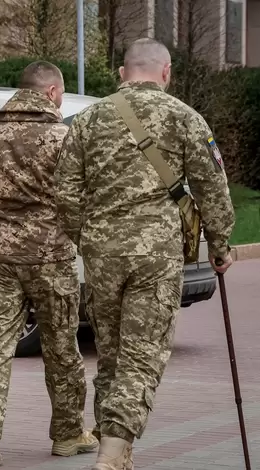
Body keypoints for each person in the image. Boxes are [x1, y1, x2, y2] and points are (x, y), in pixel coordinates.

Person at [54, 38, 236, 470]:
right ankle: (113, 450)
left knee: (113, 354)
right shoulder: (184, 118)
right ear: (167, 72)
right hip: (155, 253)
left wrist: (87, 236)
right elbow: (213, 188)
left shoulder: (87, 118)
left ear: (122, 72)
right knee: (143, 354)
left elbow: (64, 191)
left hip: (101, 252)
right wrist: (221, 245)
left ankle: (117, 449)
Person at [0, 60, 98, 466]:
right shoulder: (66, 137)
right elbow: (84, 192)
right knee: (61, 347)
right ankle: (67, 435)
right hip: (52, 258)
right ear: (51, 92)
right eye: (61, 94)